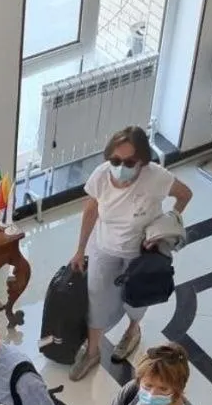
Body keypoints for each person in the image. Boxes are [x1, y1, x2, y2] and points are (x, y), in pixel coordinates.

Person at [69, 126, 193, 379]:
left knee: (136, 299)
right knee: (97, 297)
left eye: (129, 162)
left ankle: (133, 329)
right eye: (115, 161)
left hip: (141, 253)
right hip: (105, 247)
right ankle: (92, 351)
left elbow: (184, 195)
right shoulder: (101, 176)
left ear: (142, 161)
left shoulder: (156, 177)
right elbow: (90, 211)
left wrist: (168, 222)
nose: (120, 167)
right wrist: (80, 250)